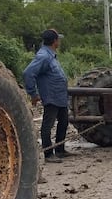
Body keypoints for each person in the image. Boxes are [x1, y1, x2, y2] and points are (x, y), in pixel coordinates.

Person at [23, 29, 74, 163]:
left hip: (60, 96)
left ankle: (60, 149)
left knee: (63, 122)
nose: (59, 41)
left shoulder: (51, 55)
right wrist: (33, 93)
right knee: (48, 125)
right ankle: (48, 153)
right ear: (55, 41)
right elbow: (28, 73)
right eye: (58, 39)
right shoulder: (44, 56)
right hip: (51, 96)